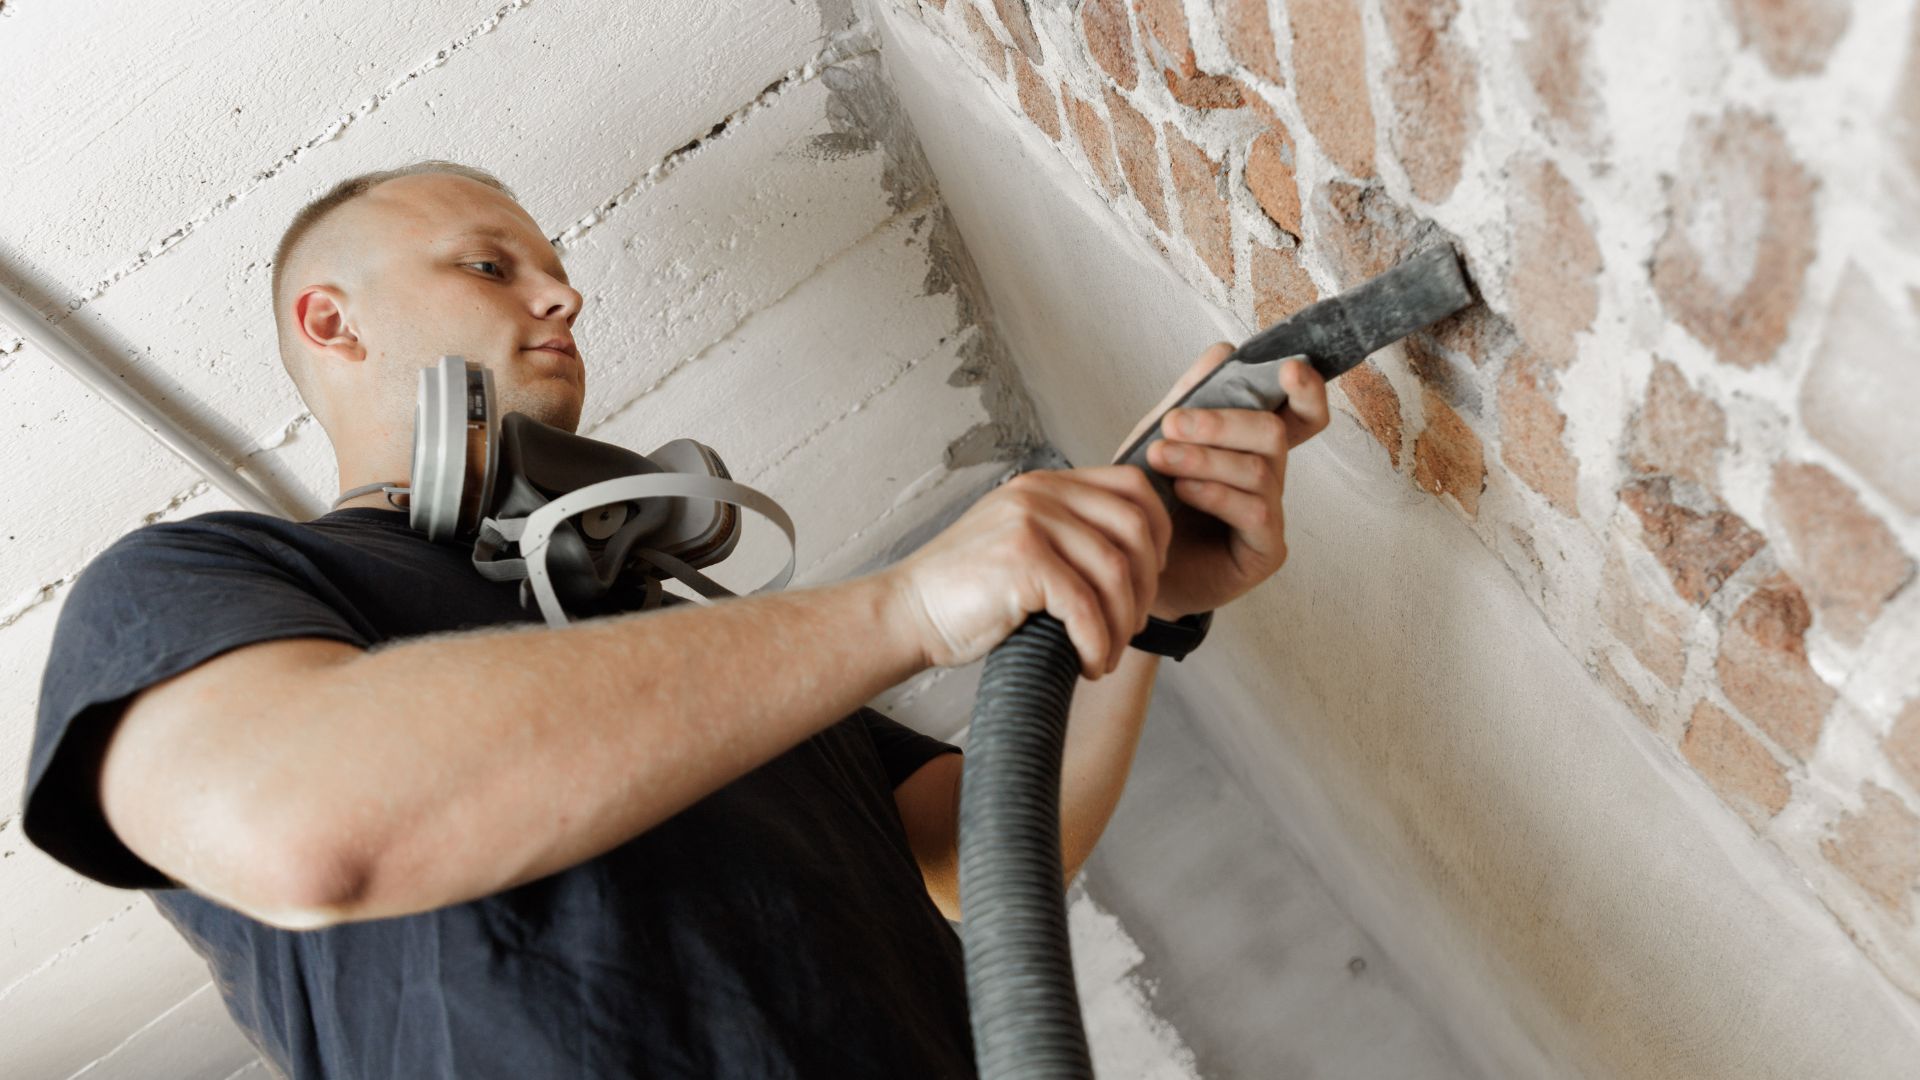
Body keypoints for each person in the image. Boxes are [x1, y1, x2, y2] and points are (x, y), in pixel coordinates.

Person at [21, 160, 1329, 1078]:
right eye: (492, 263)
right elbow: (305, 827)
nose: (563, 296)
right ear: (330, 320)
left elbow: (983, 853)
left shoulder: (669, 642)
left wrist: (1137, 606)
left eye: (557, 267)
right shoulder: (197, 585)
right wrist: (906, 604)